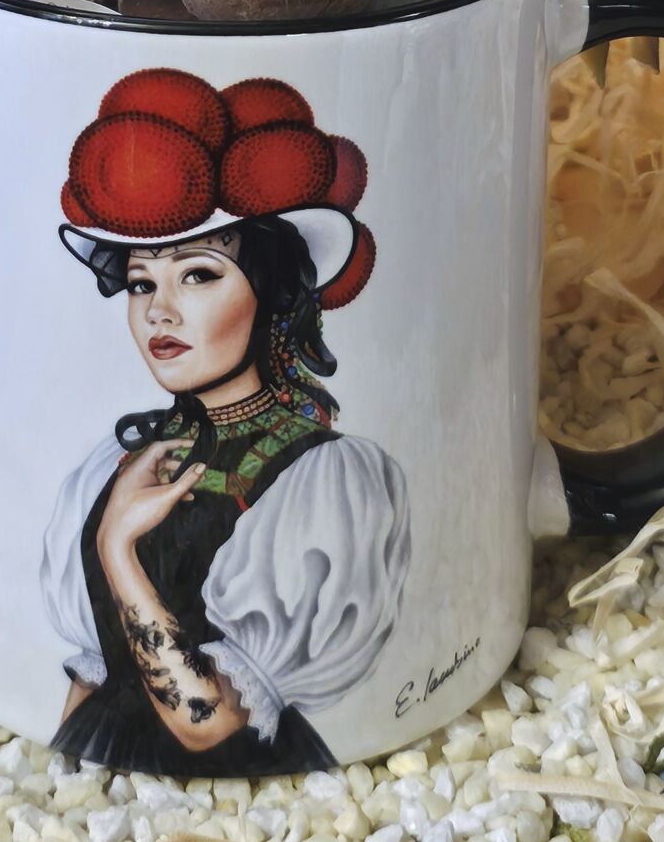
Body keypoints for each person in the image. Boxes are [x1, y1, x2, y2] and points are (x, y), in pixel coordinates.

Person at [41, 69, 410, 774]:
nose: (159, 311)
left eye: (198, 275)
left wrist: (119, 548)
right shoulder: (119, 461)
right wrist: (59, 780)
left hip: (247, 791)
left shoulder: (323, 479)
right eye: (142, 282)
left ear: (269, 293)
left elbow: (206, 724)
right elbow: (95, 675)